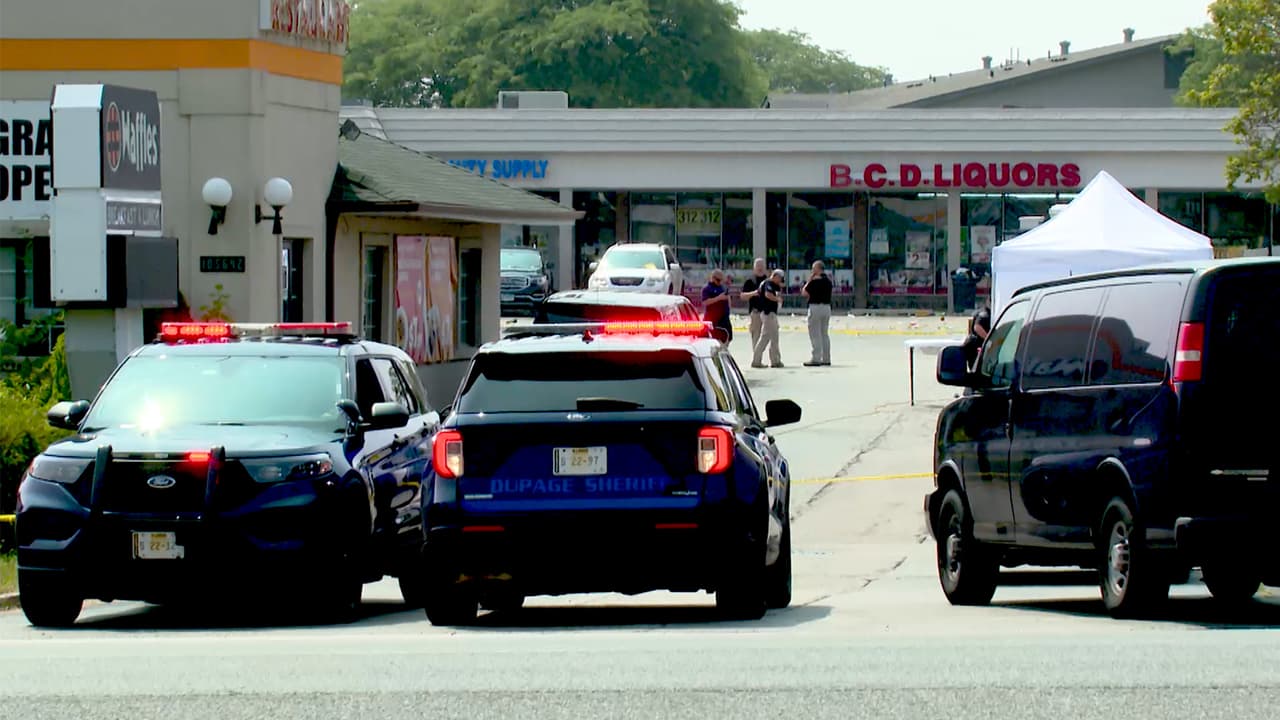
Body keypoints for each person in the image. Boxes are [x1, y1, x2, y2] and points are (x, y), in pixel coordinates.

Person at [751, 269, 785, 369]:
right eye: (780, 278)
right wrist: (777, 299)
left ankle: (775, 360)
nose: (780, 281)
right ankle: (757, 360)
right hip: (768, 313)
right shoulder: (768, 283)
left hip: (771, 314)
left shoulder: (774, 285)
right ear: (775, 276)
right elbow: (768, 295)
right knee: (765, 338)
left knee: (774, 337)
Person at [802, 260, 833, 366]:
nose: (812, 270)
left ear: (818, 269)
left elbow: (804, 292)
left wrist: (809, 280)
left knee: (815, 334)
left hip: (815, 307)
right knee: (824, 334)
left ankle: (816, 358)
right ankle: (826, 358)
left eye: (813, 268)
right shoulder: (828, 281)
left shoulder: (814, 281)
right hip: (826, 308)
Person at [739, 258, 769, 348]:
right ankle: (757, 360)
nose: (760, 268)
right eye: (758, 266)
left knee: (771, 336)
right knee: (756, 336)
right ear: (754, 268)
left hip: (768, 313)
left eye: (762, 266)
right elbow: (742, 296)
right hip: (756, 313)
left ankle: (775, 360)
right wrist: (754, 293)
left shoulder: (768, 281)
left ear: (765, 267)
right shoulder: (750, 281)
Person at [700, 269, 733, 343]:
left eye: (721, 280)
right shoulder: (707, 289)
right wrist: (718, 298)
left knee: (728, 337)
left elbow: (728, 299)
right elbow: (705, 302)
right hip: (713, 319)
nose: (720, 282)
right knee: (712, 339)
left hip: (724, 318)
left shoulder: (723, 288)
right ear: (713, 278)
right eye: (718, 280)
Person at [962, 304, 992, 371]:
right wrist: (989, 340)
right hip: (977, 346)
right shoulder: (985, 313)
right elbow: (977, 327)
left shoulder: (986, 312)